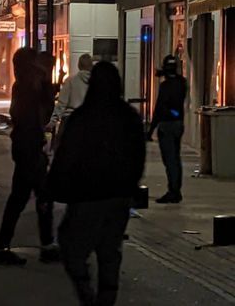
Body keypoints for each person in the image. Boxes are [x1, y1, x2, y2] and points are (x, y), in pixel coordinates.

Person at [48, 62, 145, 306]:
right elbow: (138, 158)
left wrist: (52, 188)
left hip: (87, 198)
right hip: (118, 198)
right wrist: (130, 187)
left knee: (72, 247)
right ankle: (105, 300)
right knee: (109, 253)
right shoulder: (129, 118)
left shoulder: (81, 119)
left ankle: (88, 296)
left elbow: (65, 157)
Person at [0, 48, 59, 265]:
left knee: (33, 198)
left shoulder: (22, 85)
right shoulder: (29, 87)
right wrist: (48, 84)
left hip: (26, 148)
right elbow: (41, 114)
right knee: (24, 199)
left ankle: (43, 245)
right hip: (30, 150)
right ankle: (5, 247)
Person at [147, 55, 187, 204]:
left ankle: (173, 191)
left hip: (167, 124)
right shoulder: (182, 83)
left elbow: (159, 109)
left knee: (170, 159)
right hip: (178, 123)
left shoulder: (166, 86)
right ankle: (176, 188)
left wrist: (151, 130)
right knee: (176, 158)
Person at [47, 53, 92, 148]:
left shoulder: (70, 80)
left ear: (79, 65)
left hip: (69, 121)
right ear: (91, 66)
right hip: (88, 121)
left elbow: (61, 104)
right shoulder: (96, 82)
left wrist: (52, 122)